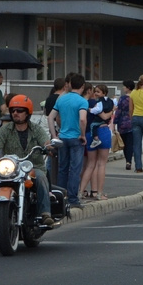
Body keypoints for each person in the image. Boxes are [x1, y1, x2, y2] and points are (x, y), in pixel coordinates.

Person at [0, 95, 54, 227]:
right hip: (11, 169)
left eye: (19, 110)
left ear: (27, 113)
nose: (15, 113)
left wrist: (49, 147)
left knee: (42, 177)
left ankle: (45, 214)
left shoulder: (36, 129)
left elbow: (45, 141)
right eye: (13, 110)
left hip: (32, 167)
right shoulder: (5, 130)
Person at [48, 72, 89, 208]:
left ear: (70, 85)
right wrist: (82, 135)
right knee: (75, 169)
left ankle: (60, 197)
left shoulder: (61, 99)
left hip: (63, 137)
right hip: (76, 138)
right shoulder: (82, 101)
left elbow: (51, 117)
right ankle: (73, 199)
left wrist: (54, 135)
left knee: (62, 168)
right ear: (82, 86)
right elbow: (82, 119)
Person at [81, 84, 114, 201]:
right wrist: (111, 112)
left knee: (90, 164)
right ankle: (99, 193)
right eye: (95, 91)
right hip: (103, 130)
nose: (96, 94)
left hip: (90, 132)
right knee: (101, 164)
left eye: (98, 92)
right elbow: (105, 116)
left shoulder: (87, 103)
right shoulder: (106, 103)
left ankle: (80, 192)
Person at [113, 80, 135, 171]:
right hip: (132, 121)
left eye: (124, 86)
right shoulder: (135, 97)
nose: (123, 88)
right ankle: (129, 161)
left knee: (124, 143)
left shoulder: (122, 99)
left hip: (122, 123)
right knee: (130, 143)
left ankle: (127, 160)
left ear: (128, 88)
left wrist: (114, 122)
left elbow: (118, 111)